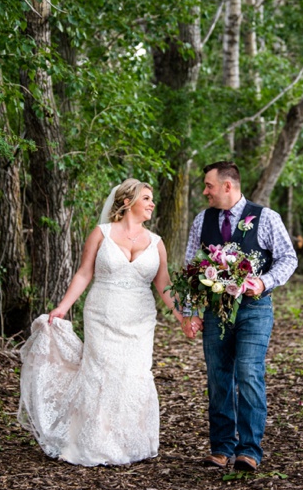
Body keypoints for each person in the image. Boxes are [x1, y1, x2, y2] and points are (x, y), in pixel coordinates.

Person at [18, 179, 184, 466]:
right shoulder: (101, 233)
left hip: (140, 319)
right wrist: (62, 307)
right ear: (126, 201)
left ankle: (130, 441)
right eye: (146, 198)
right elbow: (84, 273)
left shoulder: (156, 242)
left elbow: (164, 285)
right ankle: (97, 441)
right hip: (102, 314)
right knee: (101, 373)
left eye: (152, 198)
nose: (152, 203)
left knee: (134, 373)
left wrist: (184, 316)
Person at [182, 161, 298, 472]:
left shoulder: (266, 218)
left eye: (209, 186)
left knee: (248, 374)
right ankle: (221, 448)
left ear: (227, 186)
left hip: (254, 309)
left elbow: (289, 258)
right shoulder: (201, 221)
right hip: (215, 311)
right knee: (218, 378)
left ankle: (249, 450)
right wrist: (190, 312)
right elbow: (191, 267)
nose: (205, 191)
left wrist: (263, 281)